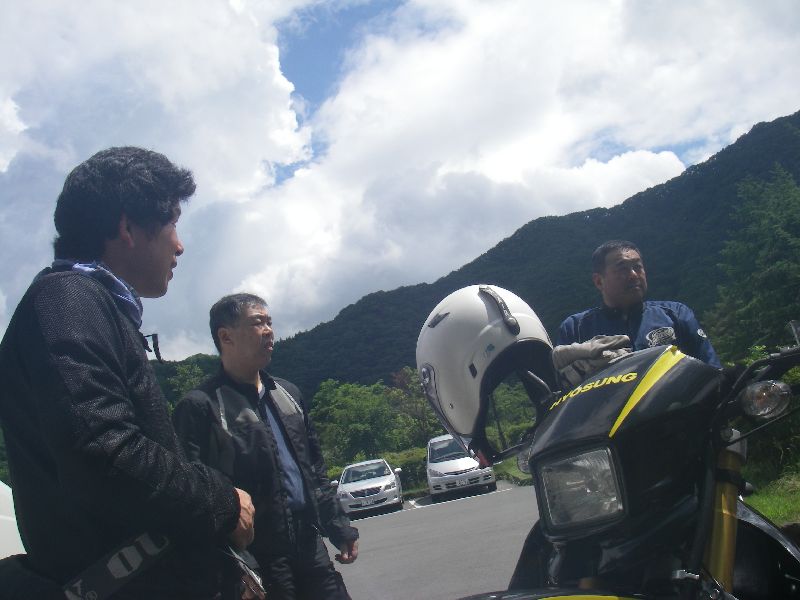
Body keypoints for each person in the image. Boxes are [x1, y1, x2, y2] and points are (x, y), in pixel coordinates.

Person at [0, 147, 255, 599]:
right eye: (173, 224)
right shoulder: (67, 299)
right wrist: (222, 500)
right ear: (127, 227)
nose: (180, 245)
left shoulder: (85, 303)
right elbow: (104, 452)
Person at [172, 293, 359, 600]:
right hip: (255, 556)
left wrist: (339, 527)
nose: (269, 330)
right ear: (226, 336)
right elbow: (191, 489)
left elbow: (315, 470)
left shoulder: (288, 393)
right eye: (257, 323)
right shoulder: (200, 406)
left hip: (307, 542)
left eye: (270, 322)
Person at [557, 240, 721, 368]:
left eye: (637, 267)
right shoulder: (575, 328)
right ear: (599, 281)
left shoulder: (675, 314)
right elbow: (564, 388)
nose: (634, 275)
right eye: (622, 269)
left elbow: (712, 370)